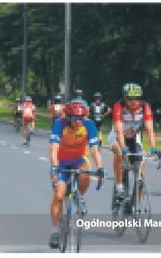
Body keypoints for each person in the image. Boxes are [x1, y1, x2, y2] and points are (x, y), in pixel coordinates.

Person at [48, 99, 104, 251]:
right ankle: (54, 232)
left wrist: (100, 168)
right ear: (68, 117)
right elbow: (54, 148)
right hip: (62, 162)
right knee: (58, 196)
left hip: (79, 159)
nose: (78, 121)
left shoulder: (89, 125)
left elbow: (94, 150)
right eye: (74, 118)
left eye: (81, 118)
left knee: (85, 171)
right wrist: (54, 167)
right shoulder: (59, 124)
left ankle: (79, 196)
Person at [111, 83, 158, 205]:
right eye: (130, 99)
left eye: (137, 98)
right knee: (119, 153)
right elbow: (119, 132)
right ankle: (119, 186)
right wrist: (123, 149)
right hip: (118, 136)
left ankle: (137, 201)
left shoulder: (145, 107)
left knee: (141, 163)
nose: (134, 102)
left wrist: (153, 147)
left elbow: (149, 129)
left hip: (133, 136)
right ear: (124, 98)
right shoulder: (118, 106)